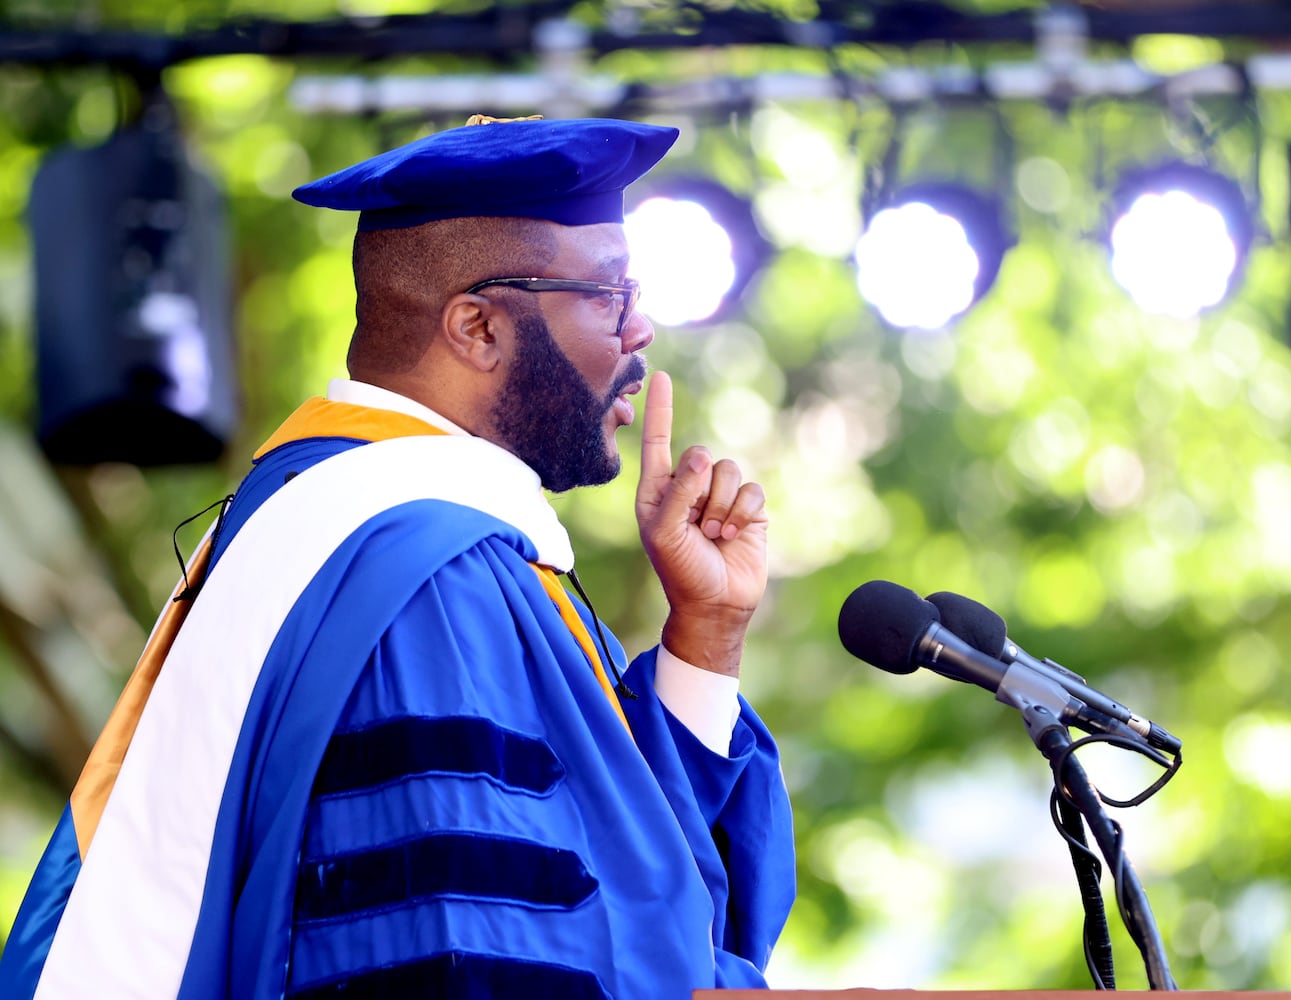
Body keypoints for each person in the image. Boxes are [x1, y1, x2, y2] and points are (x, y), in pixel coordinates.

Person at [0, 115, 795, 999]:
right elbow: (473, 952)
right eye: (610, 294)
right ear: (478, 328)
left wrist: (707, 634)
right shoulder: (425, 580)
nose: (641, 331)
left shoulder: (393, 543)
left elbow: (632, 880)